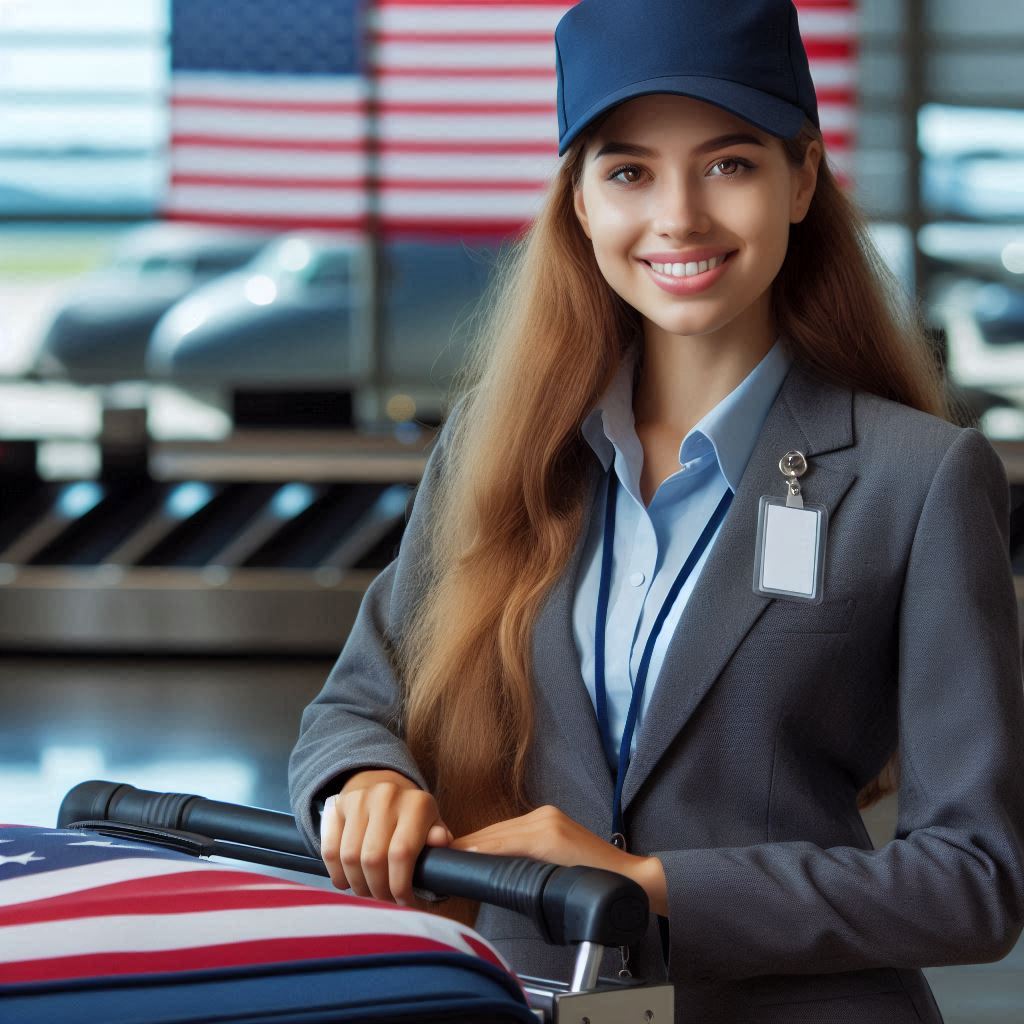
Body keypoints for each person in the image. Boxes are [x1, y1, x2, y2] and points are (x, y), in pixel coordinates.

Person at [289, 1, 1024, 1021]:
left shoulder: (921, 478)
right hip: (521, 996)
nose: (678, 216)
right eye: (628, 170)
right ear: (580, 202)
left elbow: (972, 878)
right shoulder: (492, 447)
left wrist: (653, 888)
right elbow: (358, 703)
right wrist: (362, 782)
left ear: (801, 178)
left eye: (729, 164)